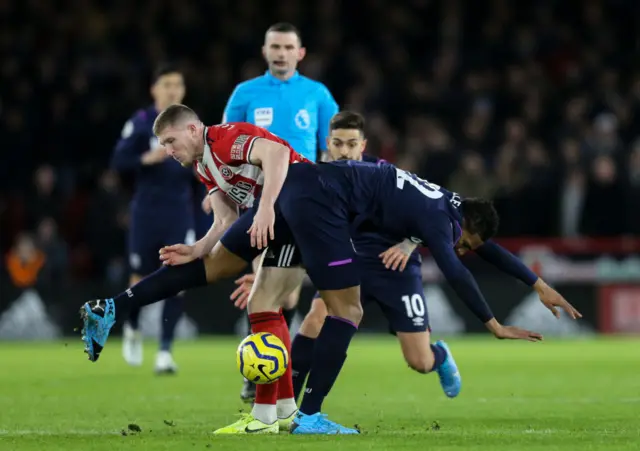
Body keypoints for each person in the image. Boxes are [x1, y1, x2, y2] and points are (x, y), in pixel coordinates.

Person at [230, 111, 575, 402]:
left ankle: (438, 356)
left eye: (352, 144)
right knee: (316, 319)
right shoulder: (328, 178)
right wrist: (270, 268)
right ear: (327, 145)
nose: (346, 150)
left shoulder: (377, 171)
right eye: (339, 143)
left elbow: (435, 222)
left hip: (397, 267)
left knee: (419, 360)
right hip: (352, 258)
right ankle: (291, 406)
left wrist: (412, 241)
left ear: (363, 145)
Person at [80, 104, 309, 433]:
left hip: (300, 204)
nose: (168, 151)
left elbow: (276, 153)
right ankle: (284, 410)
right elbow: (225, 220)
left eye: (170, 141)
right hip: (287, 215)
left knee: (276, 302)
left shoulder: (224, 138)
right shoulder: (204, 165)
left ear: (192, 129)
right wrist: (197, 248)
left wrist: (266, 208)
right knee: (225, 277)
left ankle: (265, 416)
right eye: (163, 145)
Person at [222, 21, 339, 402]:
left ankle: (262, 362)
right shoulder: (246, 93)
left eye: (289, 47)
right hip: (260, 202)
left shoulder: (317, 94)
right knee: (263, 286)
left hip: (303, 204)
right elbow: (226, 147)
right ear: (265, 50)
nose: (281, 53)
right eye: (275, 46)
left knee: (286, 298)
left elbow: (332, 149)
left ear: (300, 53)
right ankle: (256, 371)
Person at [110, 64, 195, 374]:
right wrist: (146, 159)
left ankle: (164, 351)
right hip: (146, 211)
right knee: (140, 278)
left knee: (178, 279)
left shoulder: (190, 125)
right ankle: (132, 328)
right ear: (154, 89)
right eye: (167, 84)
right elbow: (118, 161)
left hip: (178, 211)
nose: (173, 90)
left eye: (178, 84)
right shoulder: (143, 122)